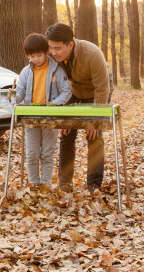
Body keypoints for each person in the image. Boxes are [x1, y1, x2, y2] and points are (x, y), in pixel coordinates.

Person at [45, 23, 112, 193]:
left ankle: (93, 184)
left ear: (70, 44)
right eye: (51, 48)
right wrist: (64, 117)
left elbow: (102, 89)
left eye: (58, 48)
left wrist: (95, 120)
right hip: (73, 92)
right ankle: (65, 182)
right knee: (66, 133)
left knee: (94, 135)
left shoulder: (92, 54)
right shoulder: (52, 56)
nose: (54, 52)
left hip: (97, 91)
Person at [12, 34, 71, 187]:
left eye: (39, 55)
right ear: (28, 56)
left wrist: (54, 104)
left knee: (47, 154)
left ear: (46, 52)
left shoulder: (56, 70)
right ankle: (33, 184)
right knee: (31, 154)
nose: (37, 59)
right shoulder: (25, 72)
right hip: (31, 118)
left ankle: (45, 185)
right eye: (32, 56)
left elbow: (66, 91)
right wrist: (11, 97)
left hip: (50, 117)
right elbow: (19, 93)